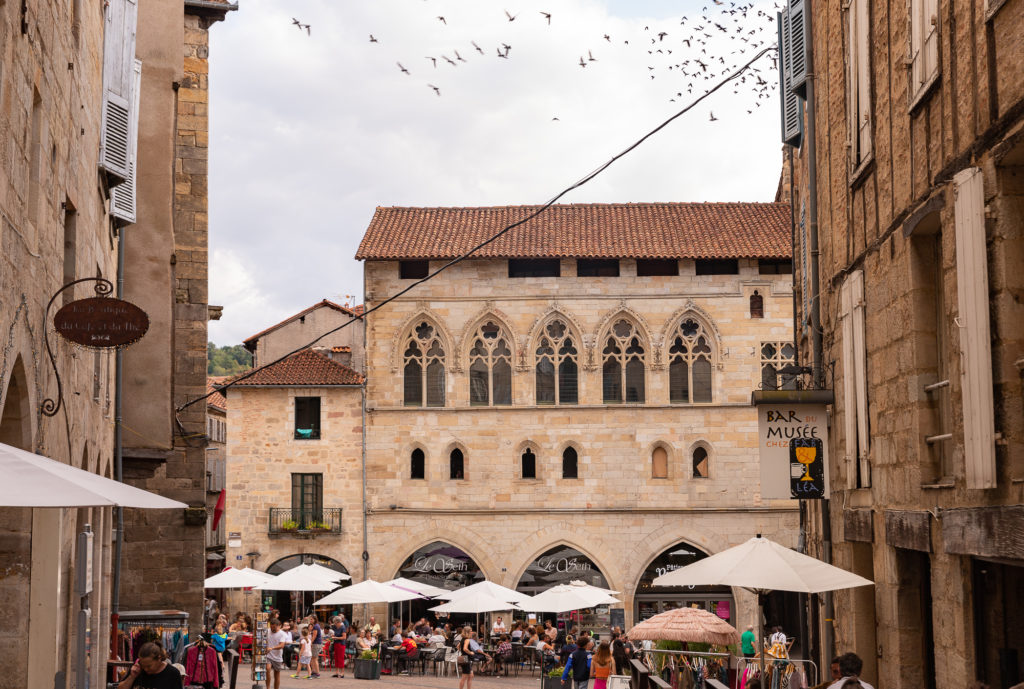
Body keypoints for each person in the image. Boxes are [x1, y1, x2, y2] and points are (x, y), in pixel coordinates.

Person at [265, 618, 291, 689]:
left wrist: (271, 648)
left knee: (277, 674)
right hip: (268, 655)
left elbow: (281, 645)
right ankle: (268, 687)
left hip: (277, 656)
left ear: (278, 626)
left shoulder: (282, 634)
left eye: (274, 627)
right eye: (271, 627)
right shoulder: (267, 631)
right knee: (267, 669)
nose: (272, 629)